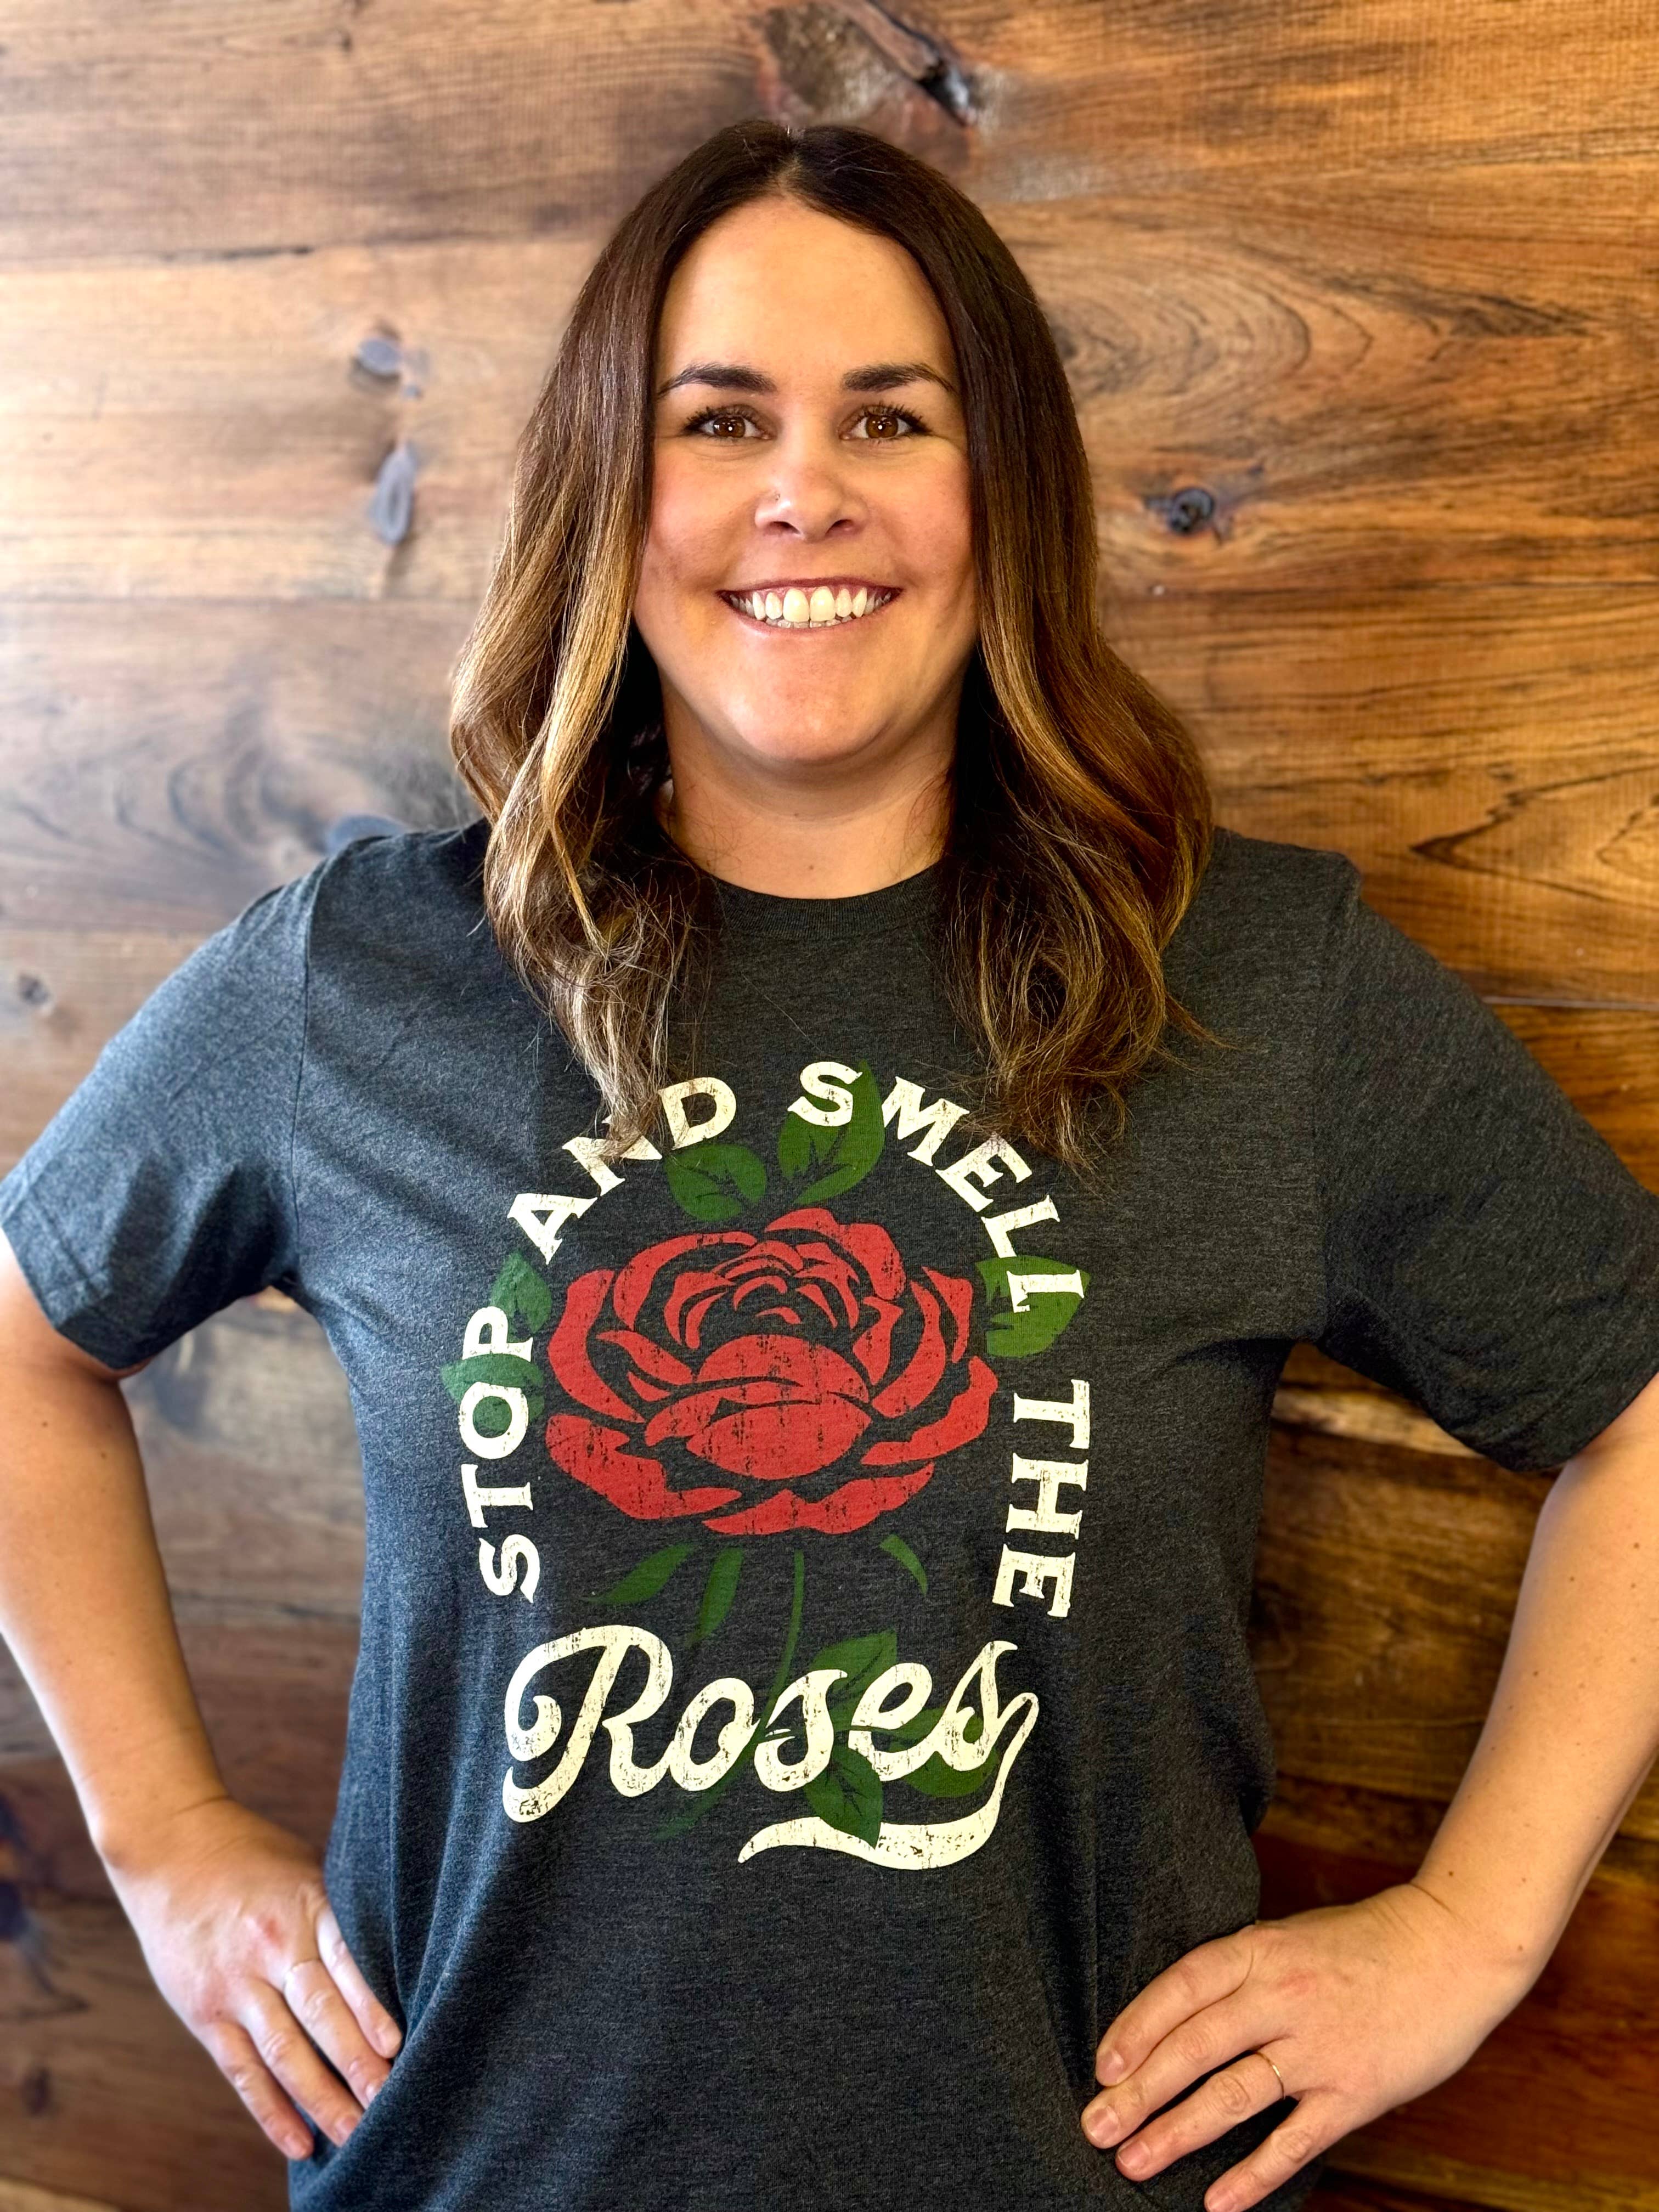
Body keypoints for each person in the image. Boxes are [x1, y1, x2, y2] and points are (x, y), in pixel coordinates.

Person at [2, 117, 1657, 2212]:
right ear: (614, 491)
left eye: (891, 415)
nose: (806, 490)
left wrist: (1469, 1933)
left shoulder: (1260, 985)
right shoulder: (366, 977)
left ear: (1001, 492)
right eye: (720, 421)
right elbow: (21, 1352)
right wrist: (162, 1843)